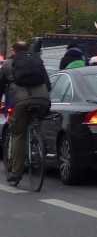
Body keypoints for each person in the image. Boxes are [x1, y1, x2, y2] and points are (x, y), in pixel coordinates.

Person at [0, 40, 52, 184]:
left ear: (14, 51)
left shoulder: (8, 64)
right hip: (43, 99)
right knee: (38, 119)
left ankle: (16, 173)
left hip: (21, 101)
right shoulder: (37, 61)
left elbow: (0, 86)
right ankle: (43, 143)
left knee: (18, 134)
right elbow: (47, 84)